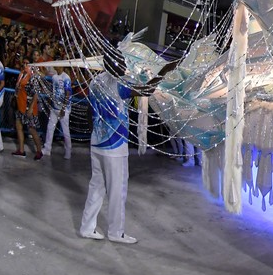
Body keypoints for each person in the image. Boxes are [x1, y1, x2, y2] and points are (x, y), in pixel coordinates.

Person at [80, 50, 178, 244]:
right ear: (112, 65)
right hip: (114, 147)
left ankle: (87, 227)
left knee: (97, 187)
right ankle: (116, 232)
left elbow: (89, 111)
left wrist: (94, 136)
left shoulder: (95, 81)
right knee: (117, 190)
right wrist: (164, 71)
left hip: (97, 143)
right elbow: (145, 91)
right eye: (120, 62)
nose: (124, 65)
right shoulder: (118, 84)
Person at [12, 61, 43, 160]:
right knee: (19, 126)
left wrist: (30, 108)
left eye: (26, 63)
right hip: (20, 105)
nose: (24, 65)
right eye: (23, 63)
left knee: (32, 130)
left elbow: (36, 93)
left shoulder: (32, 76)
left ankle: (39, 151)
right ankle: (21, 150)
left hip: (28, 107)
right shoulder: (21, 74)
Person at [43, 66, 72, 159]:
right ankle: (47, 149)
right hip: (55, 107)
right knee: (50, 127)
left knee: (65, 131)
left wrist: (63, 108)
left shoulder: (66, 78)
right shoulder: (54, 77)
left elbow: (68, 93)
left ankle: (68, 151)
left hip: (64, 109)